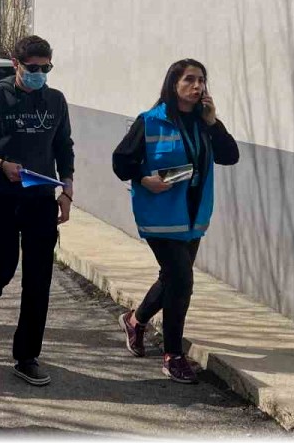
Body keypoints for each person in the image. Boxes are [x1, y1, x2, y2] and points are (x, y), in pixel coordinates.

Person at [111, 58, 239, 384]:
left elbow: (230, 156)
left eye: (202, 81)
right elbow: (122, 161)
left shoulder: (202, 122)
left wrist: (213, 123)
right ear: (174, 84)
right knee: (182, 281)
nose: (197, 87)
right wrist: (144, 178)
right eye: (190, 80)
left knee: (172, 279)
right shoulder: (150, 121)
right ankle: (173, 355)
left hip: (193, 217)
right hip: (160, 218)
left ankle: (136, 321)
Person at [0, 35, 74, 387]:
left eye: (46, 68)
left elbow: (63, 145)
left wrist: (67, 187)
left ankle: (27, 355)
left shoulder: (55, 101)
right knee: (0, 267)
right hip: (3, 196)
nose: (40, 73)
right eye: (33, 68)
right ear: (16, 63)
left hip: (41, 197)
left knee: (39, 279)